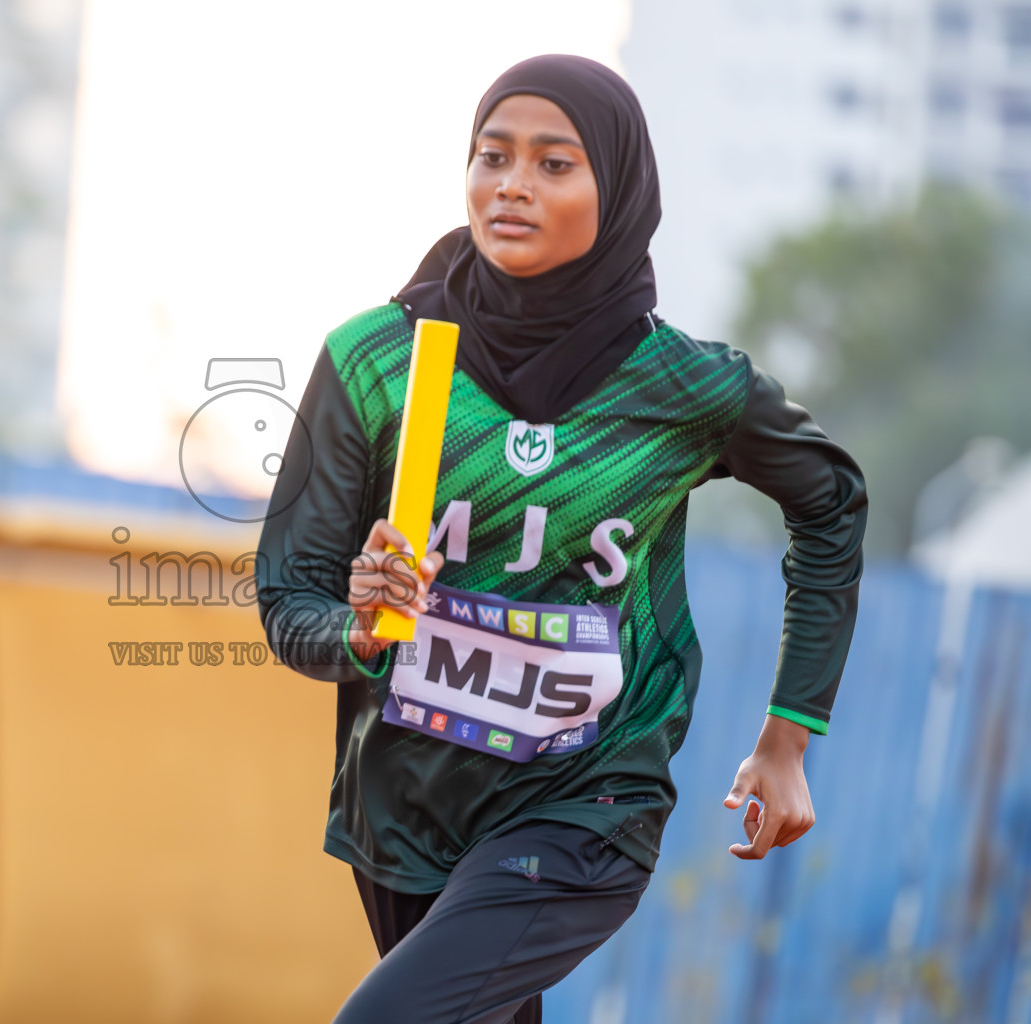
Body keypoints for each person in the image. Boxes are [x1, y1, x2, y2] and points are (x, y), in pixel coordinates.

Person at [255, 54, 867, 1024]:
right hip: (407, 810)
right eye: (492, 157)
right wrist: (363, 630)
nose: (511, 186)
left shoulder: (685, 388)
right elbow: (291, 598)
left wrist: (789, 737)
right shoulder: (376, 361)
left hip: (588, 801)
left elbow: (831, 499)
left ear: (616, 189)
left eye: (553, 164)